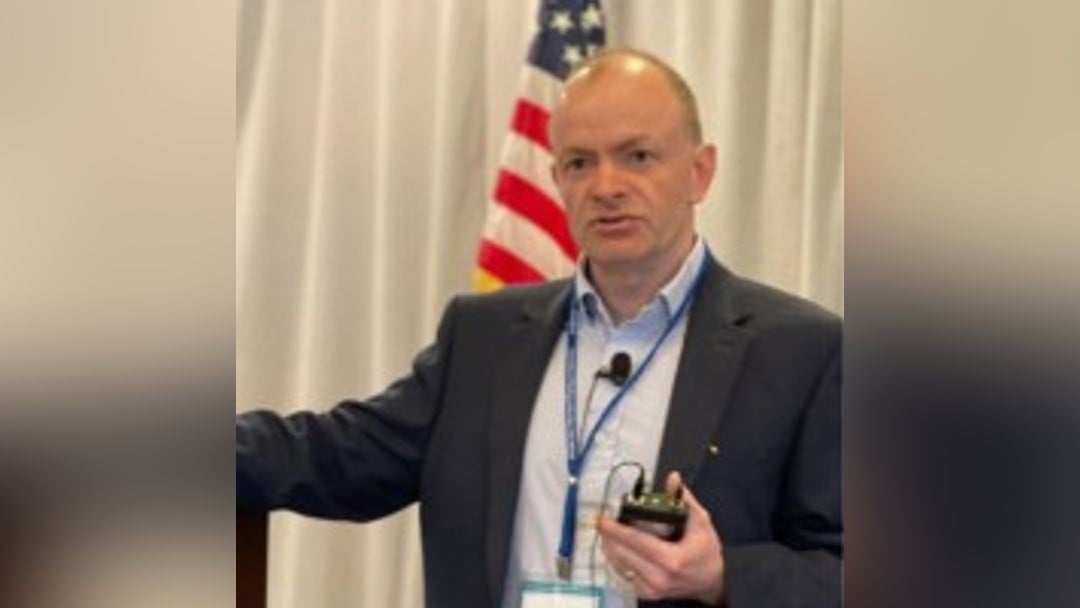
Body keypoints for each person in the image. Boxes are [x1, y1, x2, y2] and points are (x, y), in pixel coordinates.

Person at [237, 48, 841, 608]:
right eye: (580, 163)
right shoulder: (483, 338)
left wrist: (724, 575)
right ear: (557, 181)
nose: (606, 187)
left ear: (700, 172)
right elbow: (338, 457)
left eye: (638, 156)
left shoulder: (801, 351)